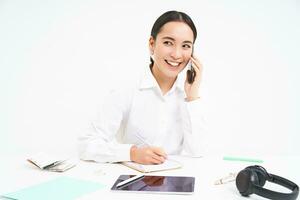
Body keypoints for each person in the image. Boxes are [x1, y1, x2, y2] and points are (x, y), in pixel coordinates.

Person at [78, 10, 207, 165]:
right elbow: (86, 145)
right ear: (152, 44)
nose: (177, 54)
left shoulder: (190, 96)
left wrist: (192, 98)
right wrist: (132, 153)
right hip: (131, 179)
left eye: (186, 46)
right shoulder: (127, 88)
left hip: (175, 181)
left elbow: (197, 152)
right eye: (168, 43)